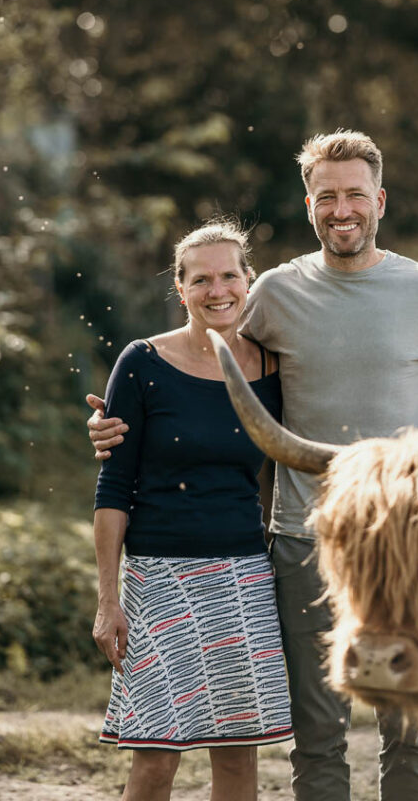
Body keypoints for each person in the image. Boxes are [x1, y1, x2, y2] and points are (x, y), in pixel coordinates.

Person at [89, 130, 418, 801]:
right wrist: (118, 423)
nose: (342, 210)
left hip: (409, 544)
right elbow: (207, 365)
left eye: (355, 194)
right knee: (318, 735)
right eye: (327, 197)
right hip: (303, 541)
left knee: (410, 732)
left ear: (379, 200)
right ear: (309, 206)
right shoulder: (274, 292)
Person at [91, 220, 292, 801]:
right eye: (200, 279)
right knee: (155, 760)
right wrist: (108, 600)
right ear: (180, 290)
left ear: (249, 281)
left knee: (237, 759)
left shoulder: (275, 370)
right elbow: (113, 488)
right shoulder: (142, 363)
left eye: (229, 275)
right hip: (159, 581)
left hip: (244, 579)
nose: (217, 290)